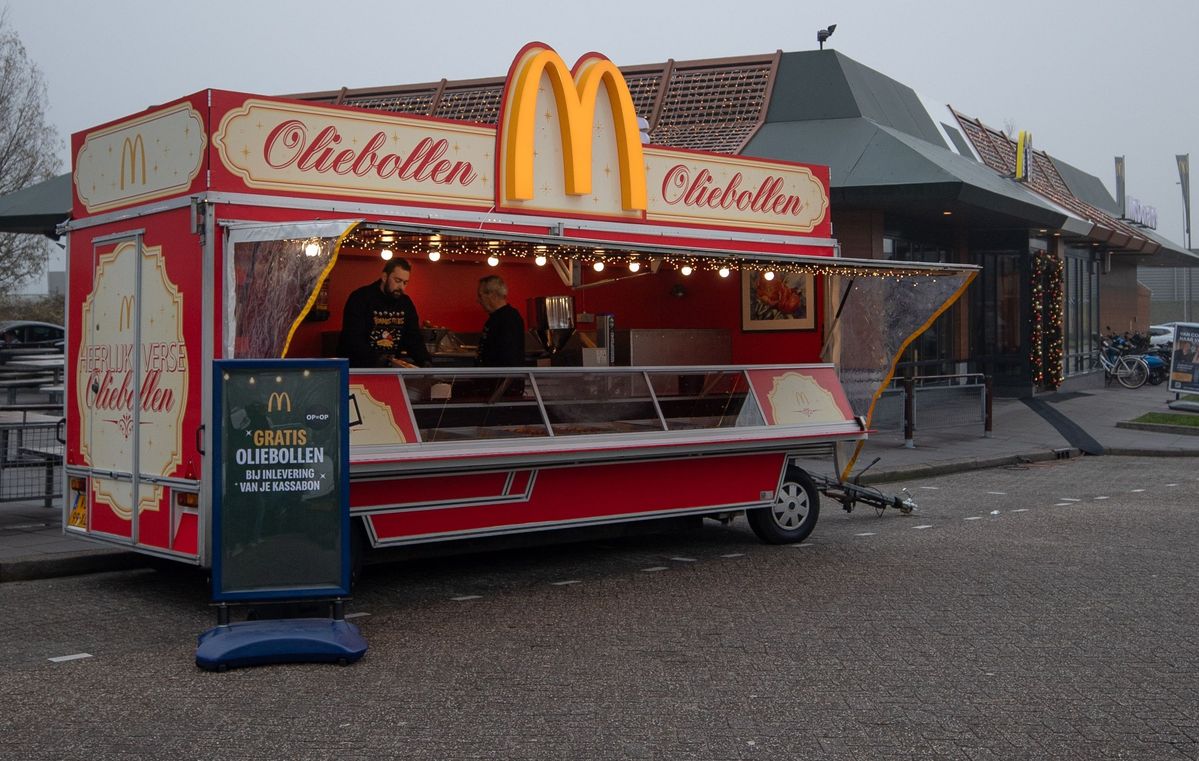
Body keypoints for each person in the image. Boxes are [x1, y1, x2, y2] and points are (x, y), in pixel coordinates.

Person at [338, 258, 431, 368]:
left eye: (405, 283)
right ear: (384, 277)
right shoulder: (361, 298)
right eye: (397, 281)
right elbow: (353, 338)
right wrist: (381, 360)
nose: (401, 287)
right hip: (358, 369)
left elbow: (414, 338)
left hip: (390, 370)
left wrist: (425, 362)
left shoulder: (406, 303)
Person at [475, 275, 526, 367]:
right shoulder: (497, 318)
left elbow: (510, 358)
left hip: (499, 377)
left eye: (480, 295)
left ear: (492, 295)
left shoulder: (509, 319)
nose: (478, 300)